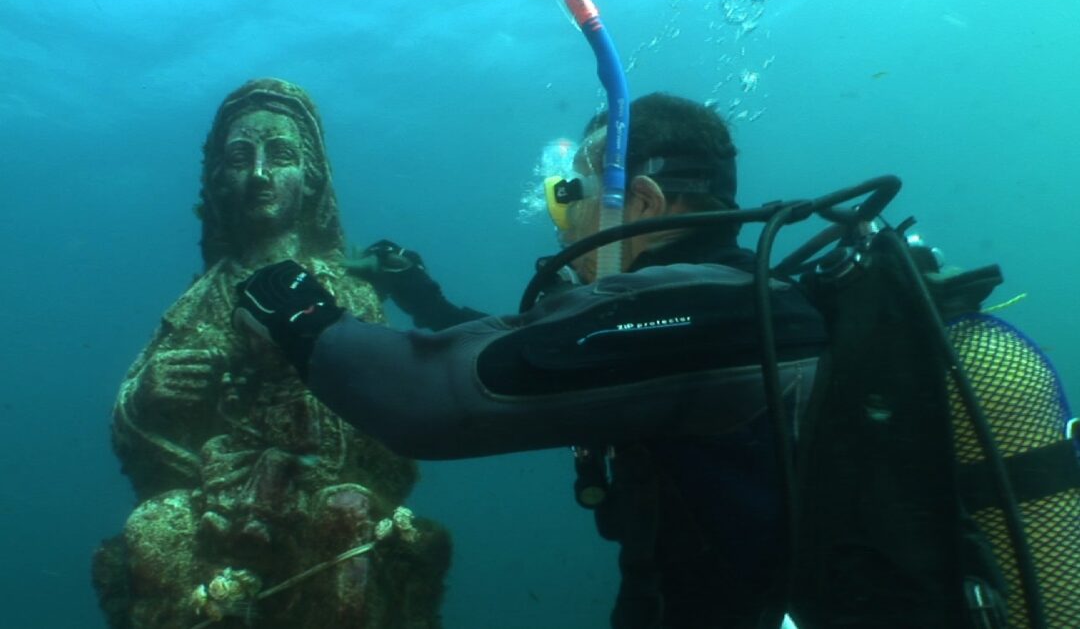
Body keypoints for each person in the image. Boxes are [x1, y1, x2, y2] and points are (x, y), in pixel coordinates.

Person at [235, 93, 828, 629]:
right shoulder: (740, 297)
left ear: (642, 203)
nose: (562, 228)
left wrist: (302, 317)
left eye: (573, 200)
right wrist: (422, 296)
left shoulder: (699, 318)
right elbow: (531, 354)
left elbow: (435, 400)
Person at [93, 78, 449, 629]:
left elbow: (397, 418)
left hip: (320, 490)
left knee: (346, 518)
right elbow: (130, 426)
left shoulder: (348, 295)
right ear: (219, 181)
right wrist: (145, 396)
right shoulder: (196, 305)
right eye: (241, 158)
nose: (259, 174)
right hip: (215, 496)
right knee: (153, 530)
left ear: (311, 179)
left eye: (280, 155)